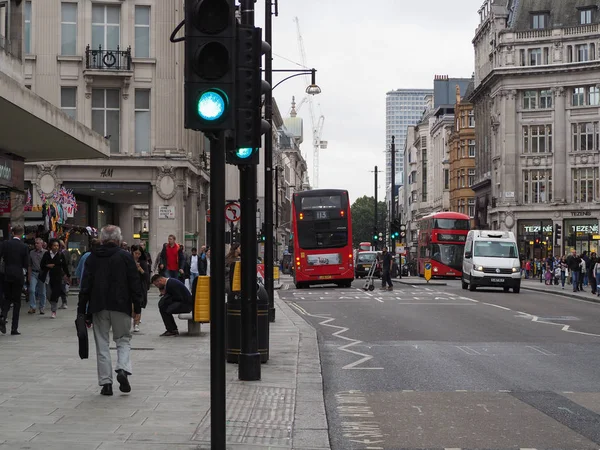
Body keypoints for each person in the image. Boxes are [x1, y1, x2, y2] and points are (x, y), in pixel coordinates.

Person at [78, 225, 143, 396]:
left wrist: (82, 309)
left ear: (102, 239)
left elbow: (85, 285)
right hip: (121, 305)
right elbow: (134, 282)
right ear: (118, 239)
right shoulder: (125, 257)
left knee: (102, 344)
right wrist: (137, 306)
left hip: (98, 306)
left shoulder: (92, 257)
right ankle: (122, 368)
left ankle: (106, 383)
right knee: (123, 339)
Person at [0, 226, 29, 335]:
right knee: (17, 302)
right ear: (21, 234)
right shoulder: (24, 246)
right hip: (18, 275)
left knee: (7, 298)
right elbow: (26, 263)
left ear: (12, 233)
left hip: (7, 274)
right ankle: (14, 328)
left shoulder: (6, 244)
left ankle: (2, 316)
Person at [39, 239, 71, 319]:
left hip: (57, 277)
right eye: (54, 245)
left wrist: (68, 275)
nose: (56, 247)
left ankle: (53, 310)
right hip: (47, 276)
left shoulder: (60, 255)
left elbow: (64, 266)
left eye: (57, 246)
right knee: (48, 294)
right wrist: (47, 266)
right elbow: (42, 265)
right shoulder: (46, 254)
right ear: (51, 246)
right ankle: (53, 304)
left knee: (55, 294)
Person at [130, 244, 149, 332]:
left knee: (138, 305)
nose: (137, 255)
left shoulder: (143, 263)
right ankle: (133, 319)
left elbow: (146, 276)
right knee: (131, 306)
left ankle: (136, 323)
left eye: (139, 254)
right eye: (135, 253)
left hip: (140, 286)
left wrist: (140, 269)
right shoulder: (128, 261)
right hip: (130, 286)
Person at [28, 237, 47, 315]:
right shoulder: (31, 253)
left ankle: (42, 307)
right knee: (32, 290)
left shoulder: (46, 252)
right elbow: (29, 264)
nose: (36, 245)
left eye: (37, 243)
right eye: (35, 243)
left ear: (42, 244)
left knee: (42, 292)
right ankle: (33, 307)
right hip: (34, 273)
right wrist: (29, 275)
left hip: (42, 273)